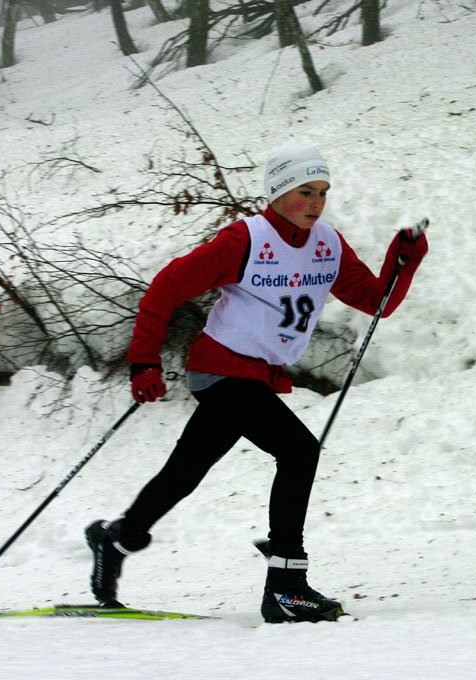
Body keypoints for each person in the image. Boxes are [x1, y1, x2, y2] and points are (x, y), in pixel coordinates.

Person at [85, 140, 428, 623]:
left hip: (256, 376)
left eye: (323, 192)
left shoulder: (327, 244)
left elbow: (376, 301)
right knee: (299, 451)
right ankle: (286, 585)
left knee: (186, 471)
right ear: (277, 192)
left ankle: (116, 538)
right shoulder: (245, 240)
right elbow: (166, 287)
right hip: (221, 369)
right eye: (305, 192)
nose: (316, 203)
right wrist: (143, 361)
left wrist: (402, 260)